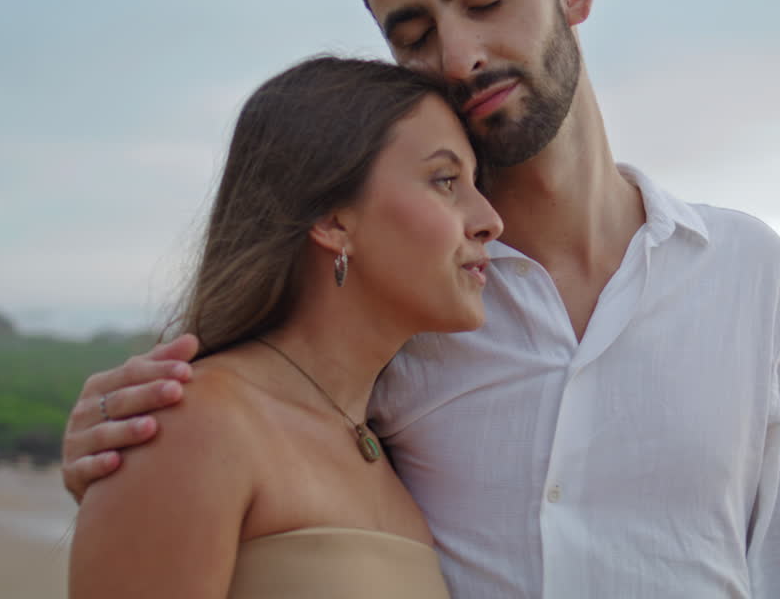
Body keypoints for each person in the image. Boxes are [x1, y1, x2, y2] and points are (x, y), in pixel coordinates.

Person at [61, 0, 780, 596]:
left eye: (483, 2)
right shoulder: (405, 302)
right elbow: (266, 432)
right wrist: (129, 451)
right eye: (412, 33)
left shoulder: (750, 275)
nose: (459, 56)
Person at [68, 56, 502, 598]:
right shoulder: (193, 423)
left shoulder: (385, 450)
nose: (489, 219)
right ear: (332, 220)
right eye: (445, 181)